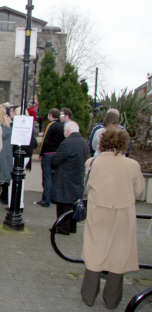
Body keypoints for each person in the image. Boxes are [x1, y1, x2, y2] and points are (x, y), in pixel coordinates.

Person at [80, 127, 145, 309]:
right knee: (118, 256)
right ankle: (112, 299)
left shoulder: (92, 163)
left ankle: (88, 295)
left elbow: (86, 188)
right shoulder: (132, 166)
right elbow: (139, 192)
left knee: (95, 252)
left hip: (98, 213)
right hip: (123, 215)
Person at [51, 121, 89, 235]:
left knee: (63, 204)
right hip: (77, 177)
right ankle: (72, 227)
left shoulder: (67, 143)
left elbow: (56, 160)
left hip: (65, 178)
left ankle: (62, 227)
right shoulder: (83, 143)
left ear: (67, 131)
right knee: (73, 203)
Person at [35, 108, 65, 207]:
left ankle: (46, 199)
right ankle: (53, 197)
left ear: (51, 115)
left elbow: (45, 140)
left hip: (48, 154)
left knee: (47, 177)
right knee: (54, 177)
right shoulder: (62, 126)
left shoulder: (50, 125)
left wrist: (41, 153)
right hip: (58, 153)